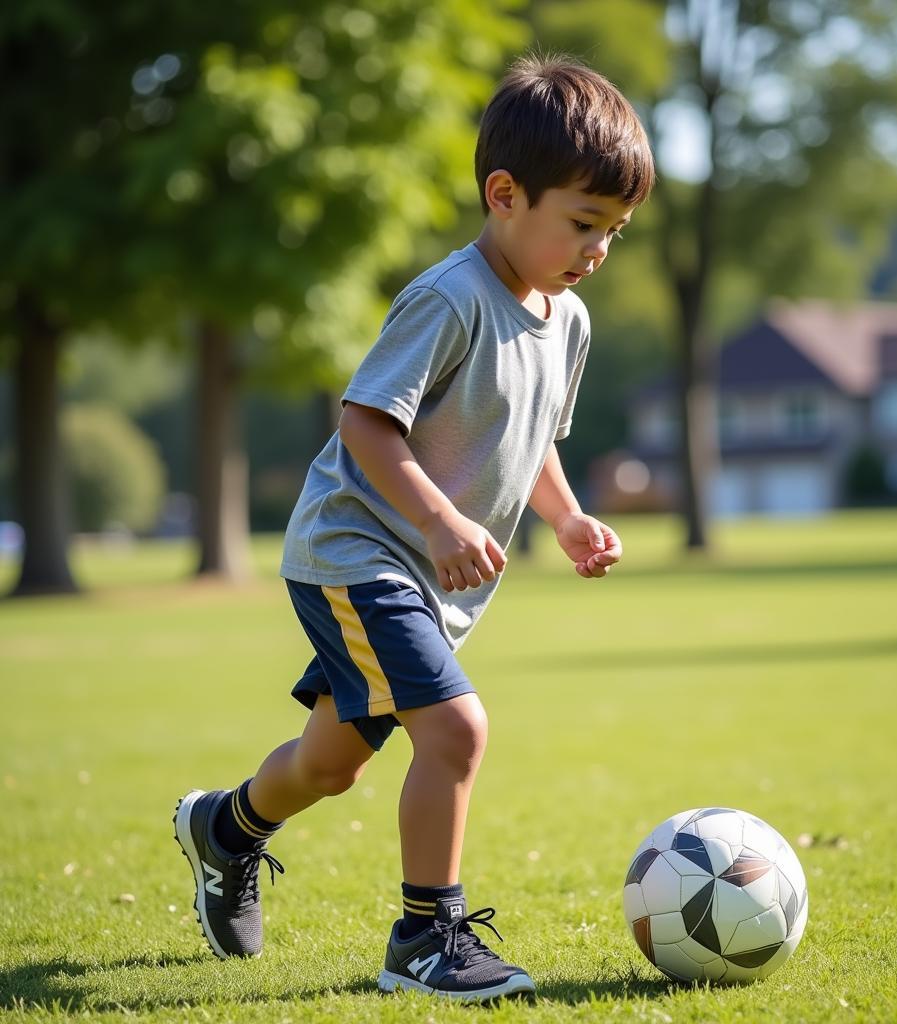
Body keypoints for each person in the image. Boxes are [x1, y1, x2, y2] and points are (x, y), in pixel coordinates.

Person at [173, 53, 655, 1003]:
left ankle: (225, 829)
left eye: (616, 232)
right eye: (585, 224)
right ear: (505, 194)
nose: (598, 250)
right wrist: (438, 519)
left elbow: (534, 440)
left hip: (426, 579)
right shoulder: (449, 298)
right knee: (458, 733)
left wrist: (566, 520)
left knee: (332, 763)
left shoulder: (570, 321)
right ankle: (426, 941)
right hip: (358, 554)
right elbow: (365, 420)